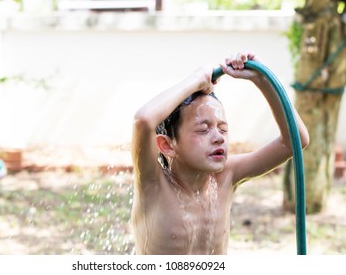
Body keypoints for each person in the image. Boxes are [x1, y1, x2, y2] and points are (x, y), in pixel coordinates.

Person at [130, 52, 309, 255]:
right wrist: (197, 79)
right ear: (168, 145)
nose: (218, 137)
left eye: (223, 129)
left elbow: (296, 140)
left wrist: (263, 81)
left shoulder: (227, 176)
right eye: (203, 129)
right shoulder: (153, 185)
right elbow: (143, 120)